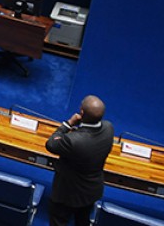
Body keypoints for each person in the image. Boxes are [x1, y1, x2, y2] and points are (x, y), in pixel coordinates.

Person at [45, 95, 114, 226]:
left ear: (81, 113)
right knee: (83, 221)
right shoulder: (109, 128)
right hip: (91, 192)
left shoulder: (73, 140)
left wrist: (68, 124)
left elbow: (51, 144)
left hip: (66, 194)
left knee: (58, 221)